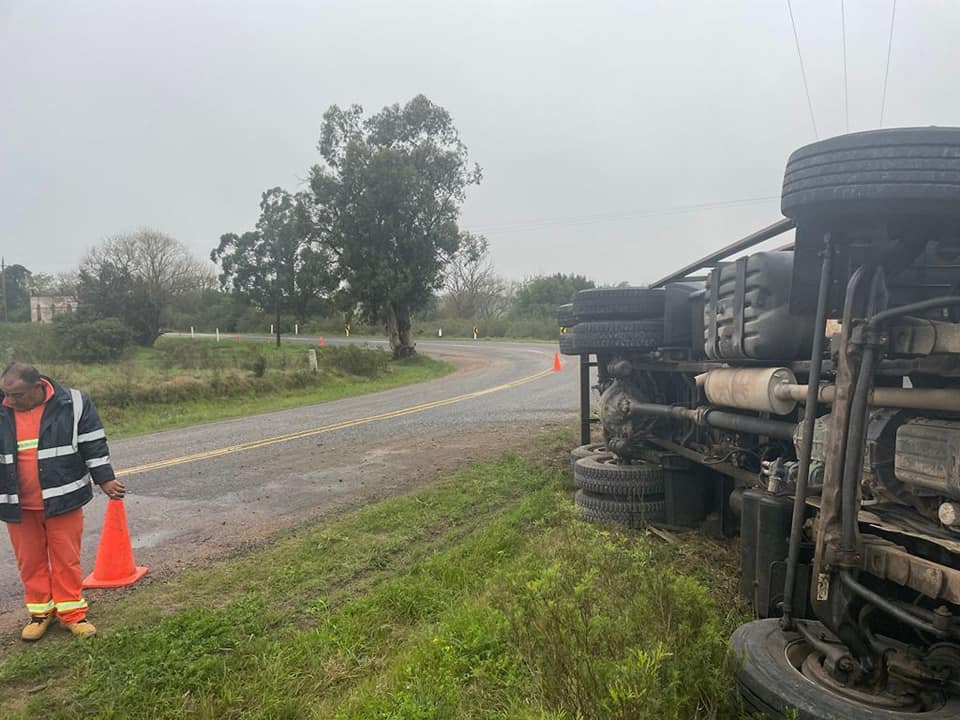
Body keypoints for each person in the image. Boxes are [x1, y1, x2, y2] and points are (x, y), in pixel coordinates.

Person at [0, 362, 126, 641]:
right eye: (5, 393)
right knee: (29, 562)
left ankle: (71, 613)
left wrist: (104, 478)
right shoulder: (3, 406)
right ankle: (40, 613)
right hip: (16, 502)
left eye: (16, 395)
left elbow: (93, 442)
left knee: (65, 559)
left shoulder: (74, 402)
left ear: (37, 387)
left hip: (63, 496)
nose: (9, 400)